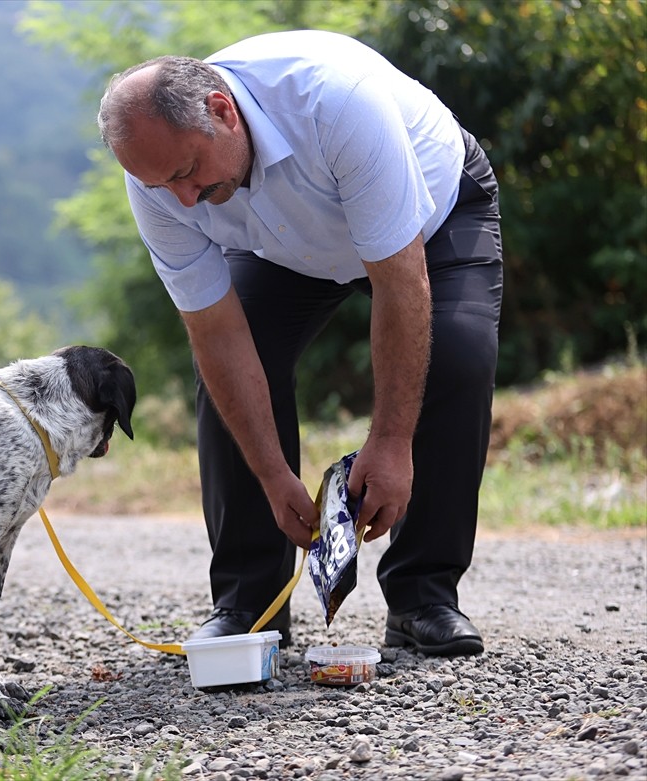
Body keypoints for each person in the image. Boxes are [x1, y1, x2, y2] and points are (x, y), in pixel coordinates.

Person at [98, 30, 502, 656]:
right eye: (160, 186)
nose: (181, 198)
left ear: (222, 112)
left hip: (432, 214)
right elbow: (216, 334)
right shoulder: (159, 185)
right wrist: (272, 473)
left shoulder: (336, 103)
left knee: (458, 355)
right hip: (290, 250)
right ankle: (249, 605)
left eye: (186, 172)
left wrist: (391, 442)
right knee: (230, 377)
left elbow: (401, 284)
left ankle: (424, 597)